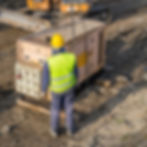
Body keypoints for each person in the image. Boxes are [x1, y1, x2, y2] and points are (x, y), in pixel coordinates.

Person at [42, 33, 78, 137]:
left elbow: (45, 78)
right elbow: (76, 73)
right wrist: (75, 83)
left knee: (55, 109)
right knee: (69, 108)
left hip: (56, 90)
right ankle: (70, 129)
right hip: (69, 87)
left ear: (52, 47)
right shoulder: (71, 57)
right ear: (64, 46)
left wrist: (43, 90)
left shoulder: (49, 62)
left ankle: (54, 130)